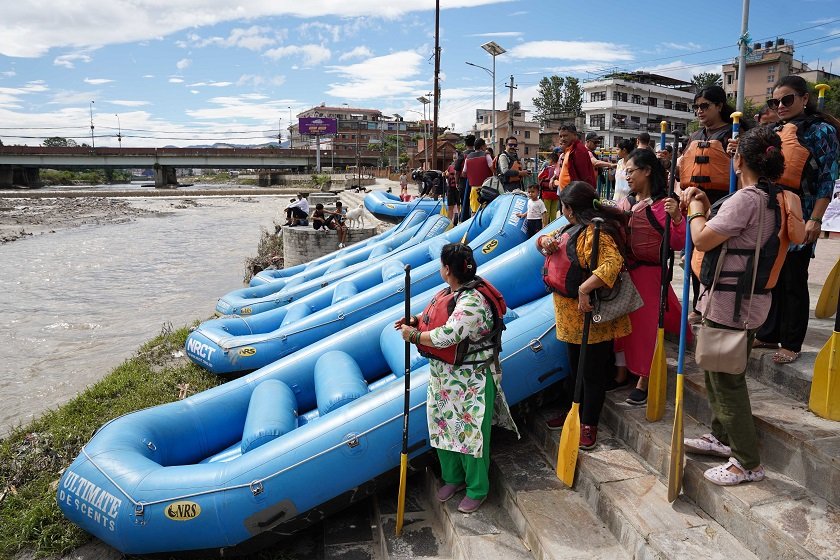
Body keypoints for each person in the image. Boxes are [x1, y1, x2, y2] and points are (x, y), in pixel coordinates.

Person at [679, 125, 787, 486]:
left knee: (726, 382)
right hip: (750, 301)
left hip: (731, 305)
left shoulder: (747, 199)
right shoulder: (780, 198)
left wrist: (695, 209)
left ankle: (747, 462)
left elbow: (702, 239)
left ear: (738, 160)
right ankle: (721, 436)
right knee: (717, 371)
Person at [396, 243, 515, 514]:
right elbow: (438, 316)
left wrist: (412, 336)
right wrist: (415, 321)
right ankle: (453, 478)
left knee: (471, 436)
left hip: (471, 379)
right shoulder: (452, 291)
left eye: (441, 265)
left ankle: (477, 488)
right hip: (444, 378)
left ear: (447, 269)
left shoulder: (473, 300)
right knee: (442, 429)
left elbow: (449, 334)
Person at [754, 75, 840, 363]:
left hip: (802, 212)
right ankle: (768, 334)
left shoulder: (822, 131)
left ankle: (791, 342)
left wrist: (816, 219)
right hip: (773, 210)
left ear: (805, 98)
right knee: (772, 275)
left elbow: (827, 179)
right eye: (775, 101)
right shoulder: (774, 130)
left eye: (787, 99)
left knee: (793, 277)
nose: (780, 105)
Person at [539, 182, 632, 448]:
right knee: (574, 366)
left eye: (563, 206)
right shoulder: (570, 228)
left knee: (592, 372)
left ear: (569, 209)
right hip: (569, 316)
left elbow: (612, 264)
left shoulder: (597, 233)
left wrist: (584, 288)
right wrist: (544, 242)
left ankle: (589, 422)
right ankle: (573, 411)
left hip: (591, 314)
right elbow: (542, 243)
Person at [613, 148, 686, 404]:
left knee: (646, 328)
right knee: (623, 326)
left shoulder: (664, 205)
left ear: (647, 171)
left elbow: (678, 241)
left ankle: (645, 377)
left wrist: (677, 216)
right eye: (626, 171)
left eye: (631, 171)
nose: (627, 176)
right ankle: (622, 372)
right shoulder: (627, 202)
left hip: (650, 275)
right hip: (625, 273)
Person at [679, 85, 743, 322]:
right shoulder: (695, 137)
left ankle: (715, 307)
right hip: (695, 204)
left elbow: (746, 171)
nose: (699, 111)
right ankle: (698, 305)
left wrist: (738, 152)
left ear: (719, 106)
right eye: (696, 107)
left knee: (717, 259)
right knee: (694, 259)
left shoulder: (734, 133)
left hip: (722, 203)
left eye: (704, 106)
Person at [556, 125, 597, 191]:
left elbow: (584, 176)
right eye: (561, 136)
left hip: (574, 194)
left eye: (565, 135)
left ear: (574, 134)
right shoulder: (570, 149)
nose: (562, 139)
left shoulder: (579, 150)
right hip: (567, 193)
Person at [462, 138, 494, 213]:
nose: (486, 147)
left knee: (474, 211)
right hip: (487, 189)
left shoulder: (468, 157)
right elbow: (493, 170)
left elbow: (464, 173)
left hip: (474, 189)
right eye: (485, 145)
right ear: (482, 146)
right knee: (486, 211)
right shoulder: (486, 155)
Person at [538, 151, 561, 220]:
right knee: (553, 212)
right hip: (556, 193)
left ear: (551, 160)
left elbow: (539, 177)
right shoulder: (559, 170)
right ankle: (552, 228)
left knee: (546, 211)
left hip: (547, 194)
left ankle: (545, 227)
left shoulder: (547, 169)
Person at [459, 135, 476, 222]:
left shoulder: (462, 155)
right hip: (475, 181)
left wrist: (457, 183)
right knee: (473, 203)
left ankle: (463, 220)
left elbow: (456, 170)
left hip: (464, 181)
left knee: (464, 202)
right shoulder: (478, 154)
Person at [445, 152, 461, 224]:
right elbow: (446, 175)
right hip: (451, 189)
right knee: (450, 207)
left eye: (456, 158)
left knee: (459, 205)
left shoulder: (461, 166)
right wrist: (445, 174)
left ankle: (459, 221)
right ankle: (449, 222)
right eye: (454, 158)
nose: (455, 160)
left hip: (458, 188)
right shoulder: (450, 167)